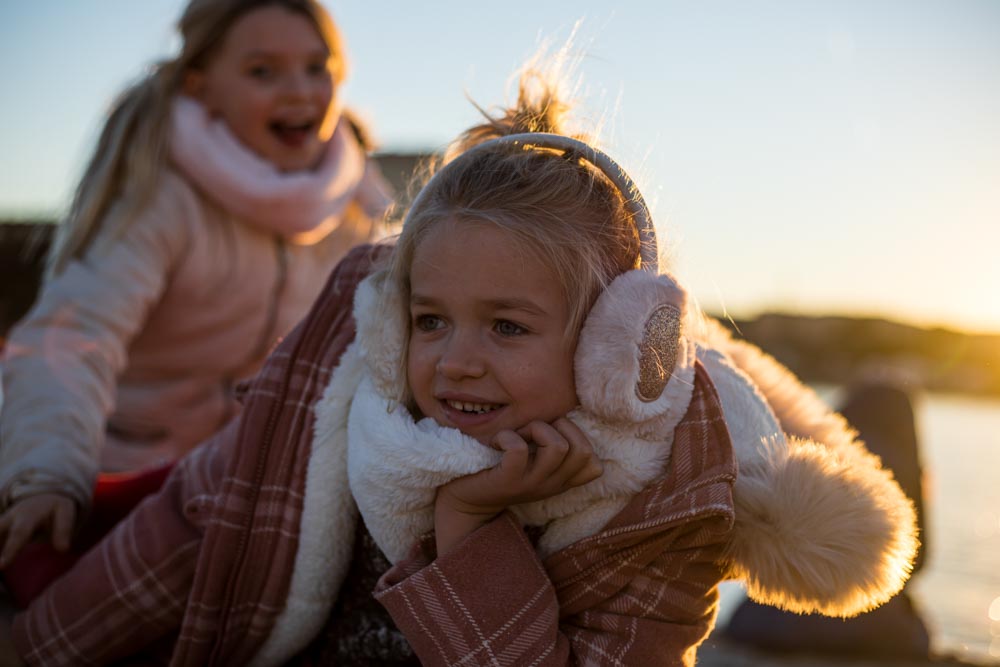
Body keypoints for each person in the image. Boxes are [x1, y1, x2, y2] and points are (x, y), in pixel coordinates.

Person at [3, 65, 917, 667]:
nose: (455, 363)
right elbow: (190, 526)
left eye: (508, 327)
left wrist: (470, 531)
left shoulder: (659, 499)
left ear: (611, 341)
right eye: (430, 320)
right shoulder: (345, 388)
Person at [0, 0, 393, 570]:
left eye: (317, 68)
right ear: (201, 87)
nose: (300, 92)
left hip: (258, 484)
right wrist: (48, 472)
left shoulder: (356, 202)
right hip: (121, 480)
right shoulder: (160, 195)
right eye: (262, 71)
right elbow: (73, 338)